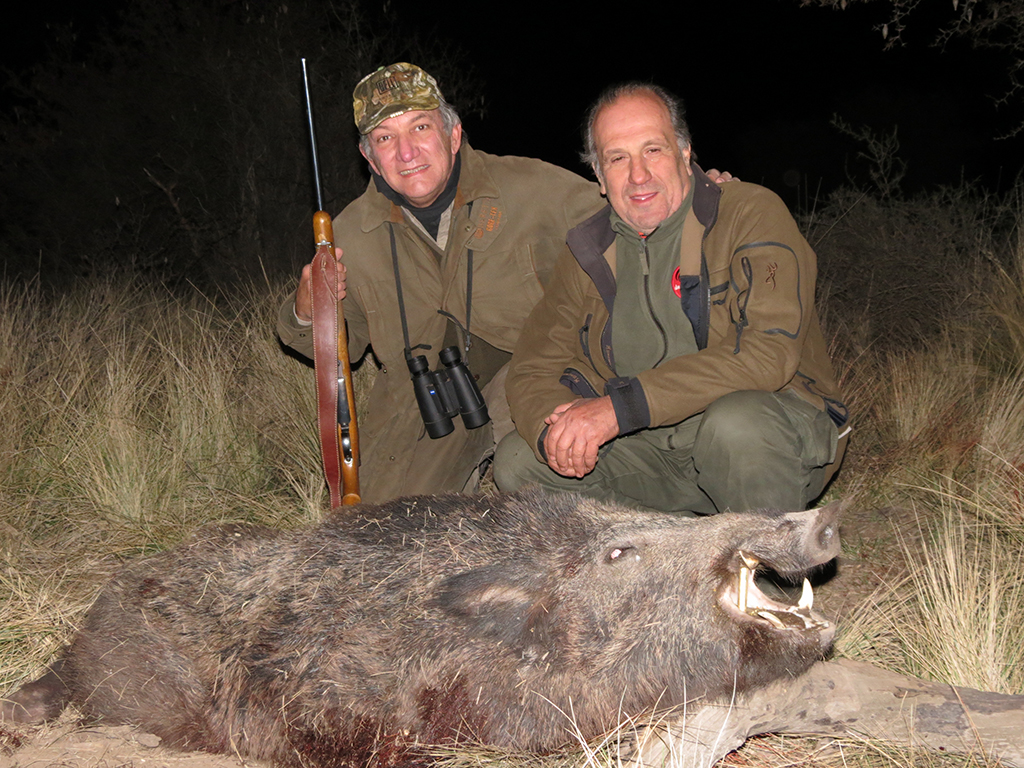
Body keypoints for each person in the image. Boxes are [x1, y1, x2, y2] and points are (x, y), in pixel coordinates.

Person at [278, 65, 733, 504]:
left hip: (534, 372)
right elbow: (344, 345)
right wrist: (308, 308)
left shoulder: (531, 187)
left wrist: (698, 189)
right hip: (429, 394)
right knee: (384, 525)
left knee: (545, 477)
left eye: (420, 128)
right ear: (369, 158)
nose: (407, 152)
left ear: (453, 134)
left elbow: (626, 205)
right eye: (385, 138)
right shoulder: (349, 234)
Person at [493, 83, 849, 515]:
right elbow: (533, 366)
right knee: (520, 462)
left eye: (653, 150)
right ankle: (658, 562)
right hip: (653, 449)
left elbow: (769, 354)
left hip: (766, 430)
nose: (638, 175)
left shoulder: (750, 213)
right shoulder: (586, 251)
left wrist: (618, 409)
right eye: (617, 158)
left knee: (735, 424)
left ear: (685, 152)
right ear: (600, 178)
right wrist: (560, 431)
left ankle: (764, 571)